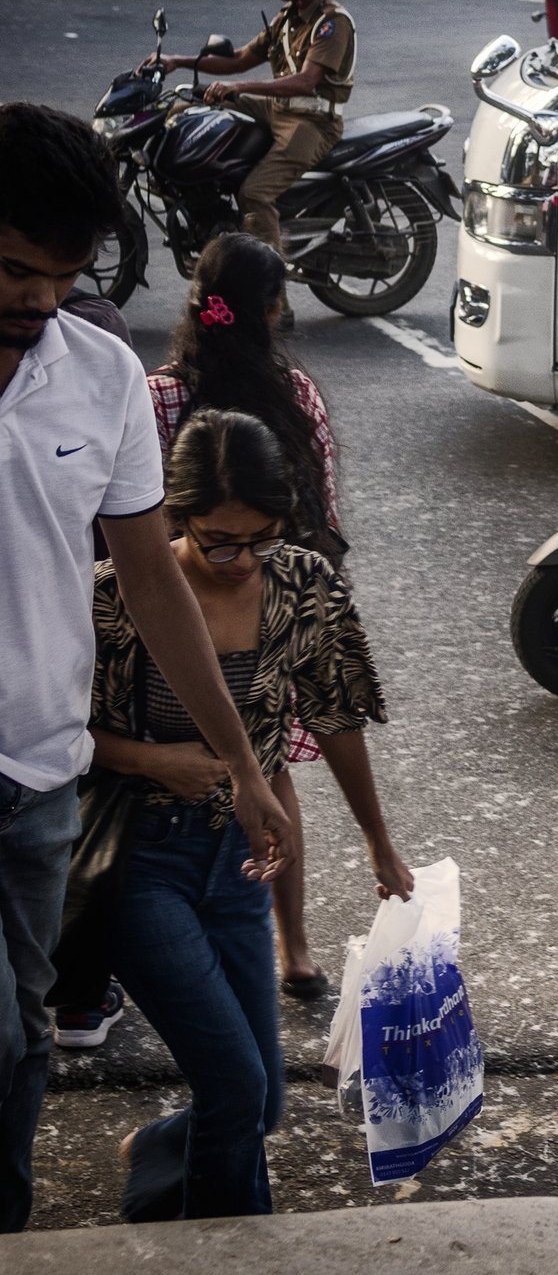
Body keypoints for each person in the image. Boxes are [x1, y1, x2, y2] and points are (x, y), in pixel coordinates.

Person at [0, 104, 295, 1234]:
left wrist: (241, 764)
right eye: (15, 269)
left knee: (26, 1034)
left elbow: (155, 580)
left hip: (38, 781)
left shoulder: (105, 375)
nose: (34, 299)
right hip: (83, 803)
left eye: (60, 277)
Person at [89, 408, 400, 1221]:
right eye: (216, 540)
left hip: (239, 860)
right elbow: (49, 735)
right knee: (235, 1082)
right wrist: (154, 757)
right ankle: (223, 1242)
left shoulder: (302, 581)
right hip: (137, 860)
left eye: (261, 536)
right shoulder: (117, 592)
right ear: (172, 515)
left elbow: (335, 716)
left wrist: (377, 841)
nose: (241, 559)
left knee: (259, 1105)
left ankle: (164, 1154)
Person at [146, 233, 360, 1000]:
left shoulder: (158, 395)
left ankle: (145, 940)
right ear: (269, 309)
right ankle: (293, 948)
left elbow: (118, 521)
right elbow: (324, 517)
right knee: (265, 772)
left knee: (153, 776)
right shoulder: (295, 395)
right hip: (269, 610)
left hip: (169, 614)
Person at [146, 0, 357, 327]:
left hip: (312, 121)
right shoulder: (287, 18)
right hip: (278, 108)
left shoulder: (332, 24)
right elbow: (241, 59)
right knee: (194, 105)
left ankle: (277, 302)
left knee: (255, 193)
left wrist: (240, 88)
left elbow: (305, 82)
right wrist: (176, 61)